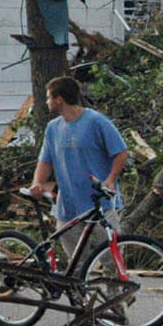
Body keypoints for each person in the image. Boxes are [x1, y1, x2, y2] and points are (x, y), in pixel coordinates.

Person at [23, 76, 128, 239]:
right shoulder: (53, 128)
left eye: (49, 97)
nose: (46, 102)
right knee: (77, 261)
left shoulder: (96, 121)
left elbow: (121, 152)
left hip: (100, 205)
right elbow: (45, 161)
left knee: (111, 257)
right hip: (68, 207)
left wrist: (111, 179)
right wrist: (37, 182)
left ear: (59, 100)